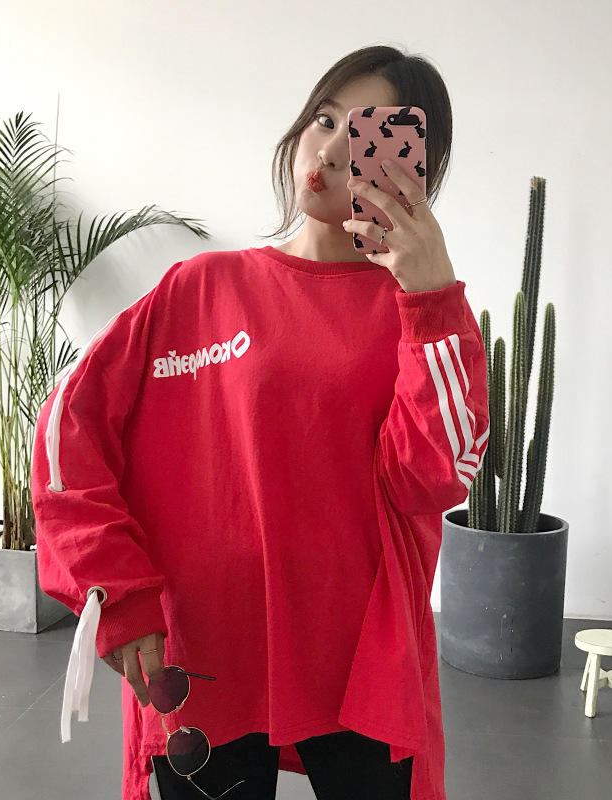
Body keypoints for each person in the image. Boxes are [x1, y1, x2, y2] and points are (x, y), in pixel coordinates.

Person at [31, 44, 490, 800]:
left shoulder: (417, 315)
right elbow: (65, 430)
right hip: (207, 652)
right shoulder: (202, 287)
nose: (330, 150)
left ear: (413, 165)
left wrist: (431, 294)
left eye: (364, 134)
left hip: (362, 661)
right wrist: (116, 588)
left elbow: (433, 476)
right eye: (324, 119)